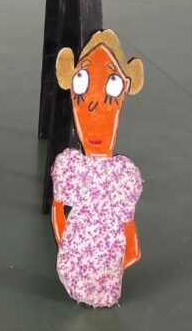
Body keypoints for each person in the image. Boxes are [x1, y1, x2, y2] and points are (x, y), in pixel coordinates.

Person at [50, 31, 144, 307]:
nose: (93, 105)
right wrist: (69, 244)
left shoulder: (121, 176)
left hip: (95, 257)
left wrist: (127, 250)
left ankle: (101, 281)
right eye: (81, 83)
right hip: (78, 258)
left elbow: (59, 213)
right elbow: (59, 212)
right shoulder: (72, 168)